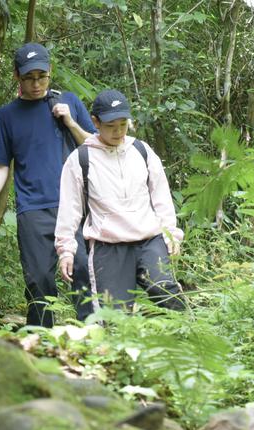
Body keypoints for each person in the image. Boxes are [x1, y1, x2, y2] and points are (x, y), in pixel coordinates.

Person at [0, 42, 96, 327]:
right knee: (39, 278)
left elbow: (94, 147)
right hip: (32, 208)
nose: (36, 84)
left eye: (41, 77)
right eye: (29, 78)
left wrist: (69, 121)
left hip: (74, 204)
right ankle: (40, 337)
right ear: (16, 76)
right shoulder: (6, 116)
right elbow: (0, 164)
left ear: (50, 72)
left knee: (83, 268)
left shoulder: (67, 102)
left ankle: (94, 334)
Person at [55, 88, 185, 312]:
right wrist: (66, 250)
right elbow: (70, 210)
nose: (118, 132)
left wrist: (170, 234)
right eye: (111, 126)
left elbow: (161, 195)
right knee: (115, 316)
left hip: (149, 240)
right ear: (95, 122)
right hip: (108, 246)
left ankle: (190, 342)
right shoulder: (81, 159)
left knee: (165, 292)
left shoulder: (142, 151)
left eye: (123, 124)